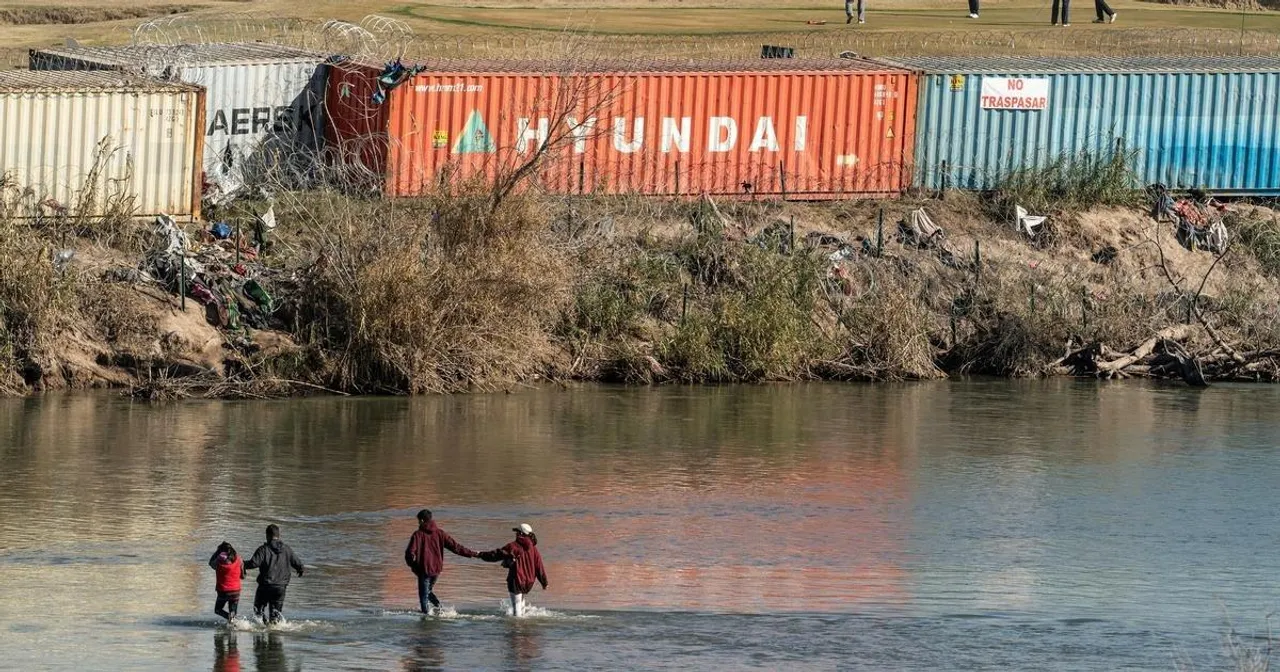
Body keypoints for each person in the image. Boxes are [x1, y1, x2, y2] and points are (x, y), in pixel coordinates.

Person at [404, 509, 477, 615]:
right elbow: (455, 547)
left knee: (423, 595)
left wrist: (414, 566)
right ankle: (440, 610)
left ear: (423, 520)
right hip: (436, 570)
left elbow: (409, 553)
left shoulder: (418, 535)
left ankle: (427, 617)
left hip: (424, 570)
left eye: (419, 521)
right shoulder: (440, 533)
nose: (418, 523)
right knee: (427, 592)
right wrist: (472, 553)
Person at [478, 523, 548, 618]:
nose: (515, 534)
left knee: (517, 611)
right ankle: (523, 630)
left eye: (517, 532)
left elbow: (496, 555)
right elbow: (539, 566)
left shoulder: (513, 546)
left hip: (516, 580)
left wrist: (480, 554)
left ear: (521, 534)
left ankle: (517, 630)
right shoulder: (534, 549)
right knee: (521, 606)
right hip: (528, 582)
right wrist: (544, 582)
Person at [243, 524, 304, 624]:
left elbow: (253, 563)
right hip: (280, 588)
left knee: (258, 612)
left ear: (267, 535)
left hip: (265, 586)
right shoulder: (287, 549)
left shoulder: (263, 549)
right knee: (275, 616)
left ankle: (261, 633)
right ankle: (273, 632)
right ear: (278, 535)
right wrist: (300, 570)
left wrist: (241, 563)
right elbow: (299, 564)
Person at [208, 541, 244, 624]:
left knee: (218, 610)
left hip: (223, 591)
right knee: (233, 612)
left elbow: (210, 563)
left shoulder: (218, 562)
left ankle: (229, 617)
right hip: (235, 591)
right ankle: (234, 622)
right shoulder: (239, 560)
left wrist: (217, 552)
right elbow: (243, 576)